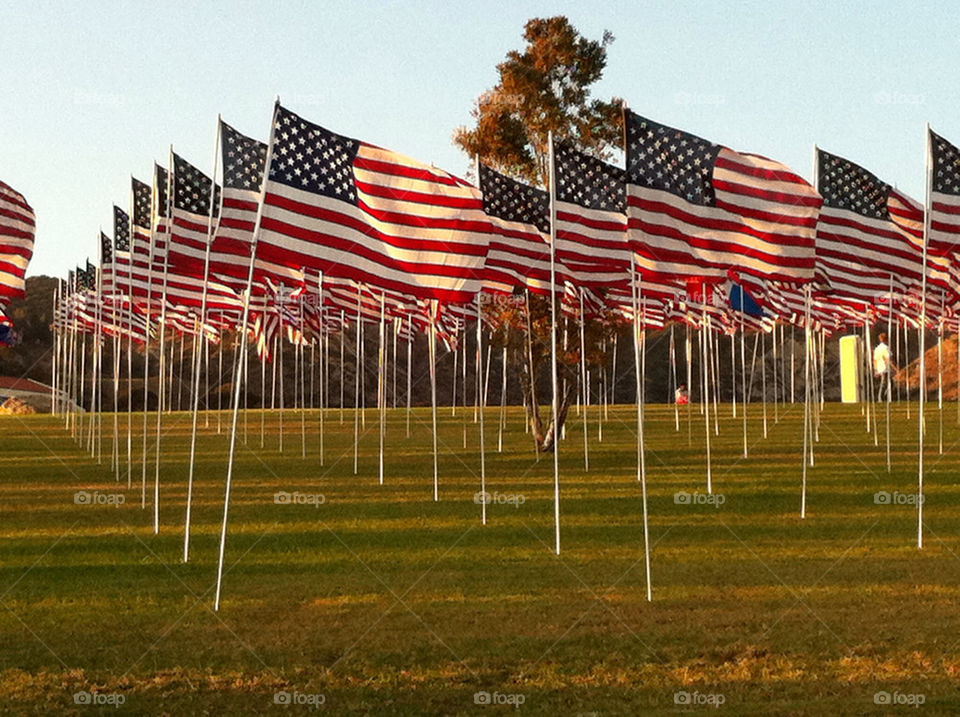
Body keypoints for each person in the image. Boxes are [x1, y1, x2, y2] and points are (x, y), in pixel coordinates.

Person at [873, 332, 896, 401]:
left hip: (880, 368)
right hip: (885, 368)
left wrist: (876, 370)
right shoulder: (886, 348)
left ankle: (883, 397)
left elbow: (874, 360)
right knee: (884, 384)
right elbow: (889, 359)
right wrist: (896, 368)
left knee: (889, 383)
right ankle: (881, 398)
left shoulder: (877, 349)